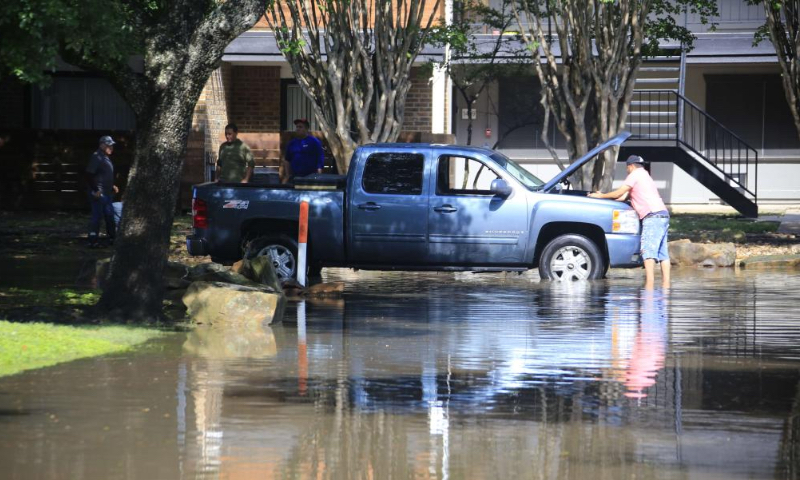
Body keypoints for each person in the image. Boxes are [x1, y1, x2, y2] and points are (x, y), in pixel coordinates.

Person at [589, 155, 671, 289]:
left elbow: (619, 192)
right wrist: (605, 197)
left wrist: (600, 196)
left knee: (648, 251)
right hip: (663, 214)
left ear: (630, 166)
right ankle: (666, 285)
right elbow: (622, 197)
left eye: (627, 167)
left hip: (652, 216)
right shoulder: (645, 175)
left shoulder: (635, 174)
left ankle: (649, 285)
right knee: (663, 254)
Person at [86, 135, 119, 248]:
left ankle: (112, 239)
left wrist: (111, 185)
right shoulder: (97, 157)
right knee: (97, 216)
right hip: (99, 193)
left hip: (107, 193)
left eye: (112, 145)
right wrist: (95, 190)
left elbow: (103, 174)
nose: (111, 147)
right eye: (108, 145)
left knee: (109, 215)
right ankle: (92, 240)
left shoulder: (105, 157)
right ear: (101, 145)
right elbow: (89, 174)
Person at [281, 118, 325, 183]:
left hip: (311, 176)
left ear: (307, 129)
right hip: (295, 176)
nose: (298, 129)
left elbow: (320, 157)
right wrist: (288, 175)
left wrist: (319, 174)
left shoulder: (314, 142)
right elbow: (287, 160)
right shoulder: (292, 143)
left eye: (300, 127)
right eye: (297, 127)